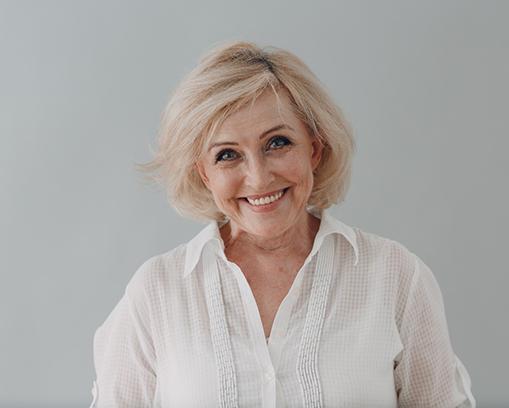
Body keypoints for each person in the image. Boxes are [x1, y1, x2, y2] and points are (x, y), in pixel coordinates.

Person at [89, 41, 476, 407]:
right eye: (227, 154)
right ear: (204, 173)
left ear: (315, 148)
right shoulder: (157, 292)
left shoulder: (395, 277)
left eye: (277, 143)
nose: (258, 179)